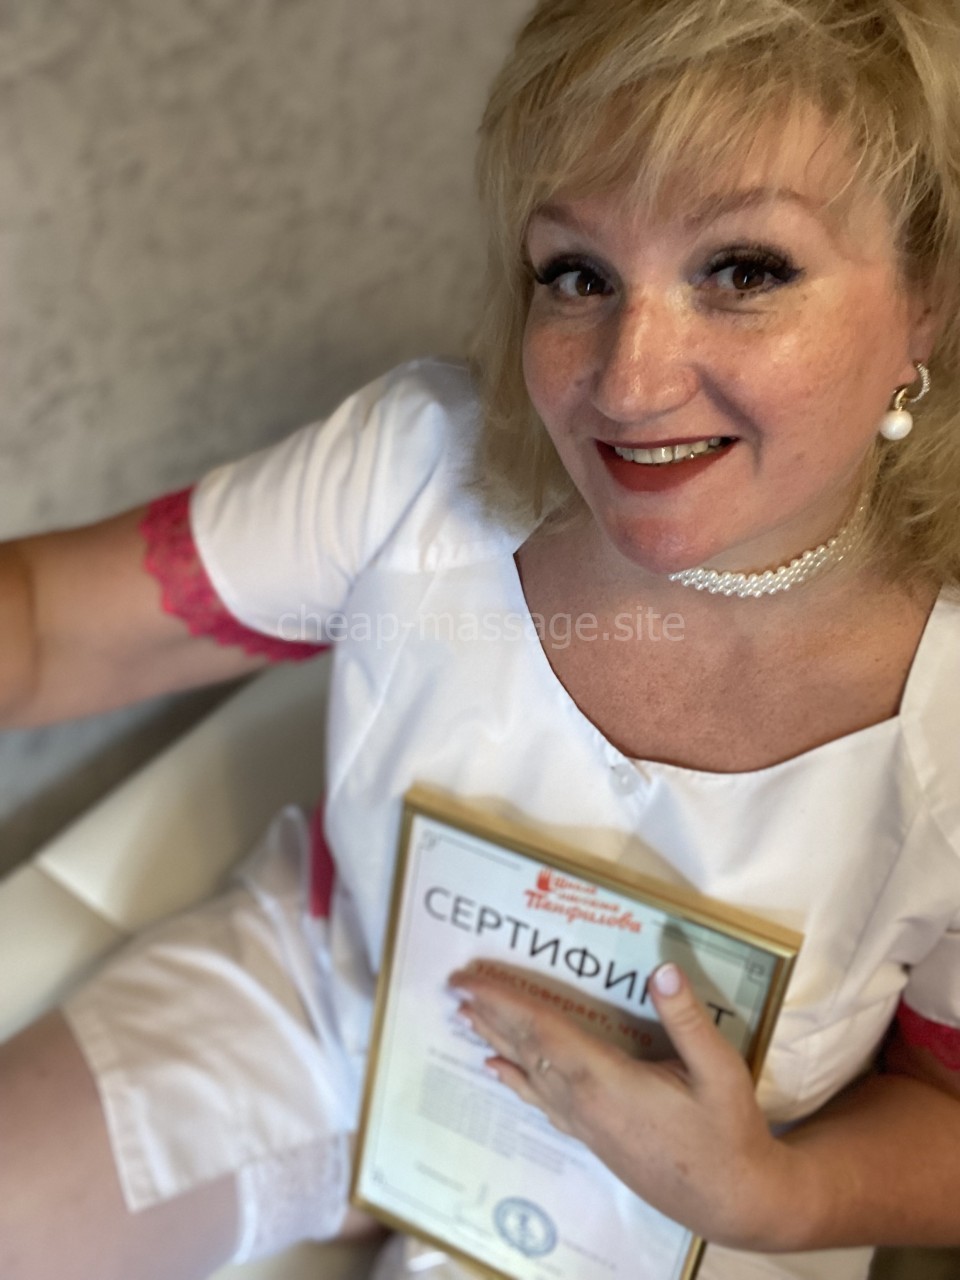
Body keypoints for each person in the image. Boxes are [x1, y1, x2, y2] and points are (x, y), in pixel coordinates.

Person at [1, 1, 959, 1278]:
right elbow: (49, 624)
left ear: (926, 300)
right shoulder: (417, 467)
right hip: (337, 1008)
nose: (629, 380)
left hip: (682, 1200)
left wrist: (775, 1195)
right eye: (580, 274)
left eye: (743, 270)